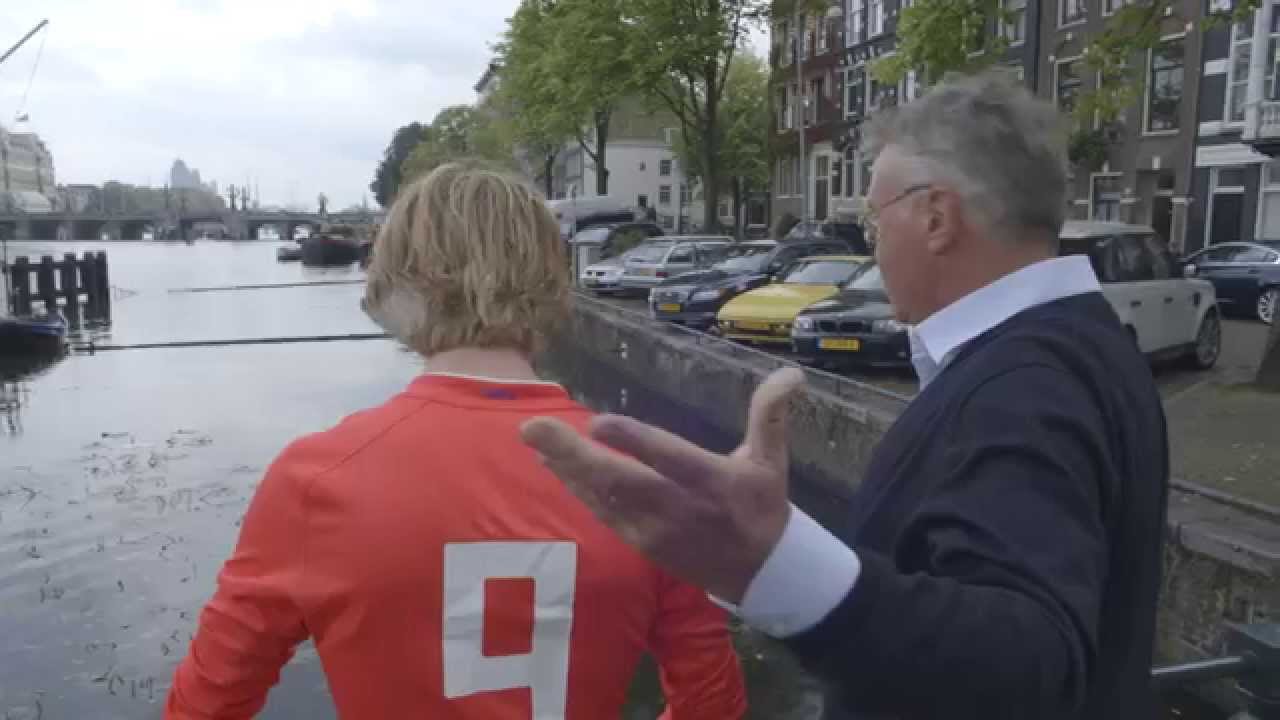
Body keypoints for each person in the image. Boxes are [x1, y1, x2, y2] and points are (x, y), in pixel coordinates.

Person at [522, 70, 1168, 719]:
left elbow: (1027, 667)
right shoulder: (1092, 345)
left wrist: (774, 562)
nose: (871, 243)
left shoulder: (1024, 386)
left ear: (936, 217)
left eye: (871, 218)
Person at [165, 163, 747, 719]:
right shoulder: (640, 478)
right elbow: (711, 700)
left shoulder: (316, 479)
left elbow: (209, 703)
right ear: (551, 281)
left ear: (399, 283)